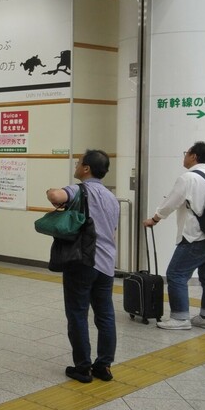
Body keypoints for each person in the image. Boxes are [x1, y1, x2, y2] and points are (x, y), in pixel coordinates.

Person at [45, 150, 120, 383]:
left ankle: (83, 367)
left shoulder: (79, 189)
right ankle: (104, 366)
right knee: (105, 314)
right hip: (107, 263)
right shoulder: (111, 197)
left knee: (77, 313)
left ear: (86, 168)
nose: (76, 166)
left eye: (78, 163)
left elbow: (56, 197)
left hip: (82, 261)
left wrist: (50, 191)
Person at [144, 142, 205, 331]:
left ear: (194, 156)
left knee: (176, 274)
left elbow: (171, 203)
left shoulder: (188, 178)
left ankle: (180, 318)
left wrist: (155, 219)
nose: (184, 156)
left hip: (194, 236)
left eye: (186, 153)